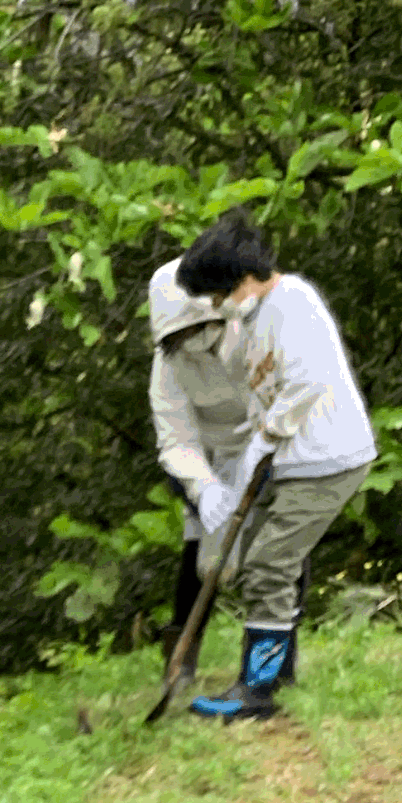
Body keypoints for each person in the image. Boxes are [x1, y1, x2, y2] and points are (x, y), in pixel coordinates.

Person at [172, 212, 375, 721]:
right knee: (258, 559)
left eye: (219, 293)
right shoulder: (255, 319)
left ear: (241, 277)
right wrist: (253, 458)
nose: (218, 305)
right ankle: (278, 670)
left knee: (270, 563)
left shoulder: (294, 304)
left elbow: (306, 384)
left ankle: (257, 692)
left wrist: (266, 439)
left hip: (328, 458)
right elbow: (262, 396)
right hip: (292, 461)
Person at [147, 257, 253, 638]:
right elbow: (176, 439)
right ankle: (182, 652)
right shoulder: (168, 368)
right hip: (203, 458)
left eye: (202, 329)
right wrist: (205, 489)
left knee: (279, 540)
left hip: (260, 447)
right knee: (202, 549)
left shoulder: (254, 336)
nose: (195, 342)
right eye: (182, 334)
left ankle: (277, 643)